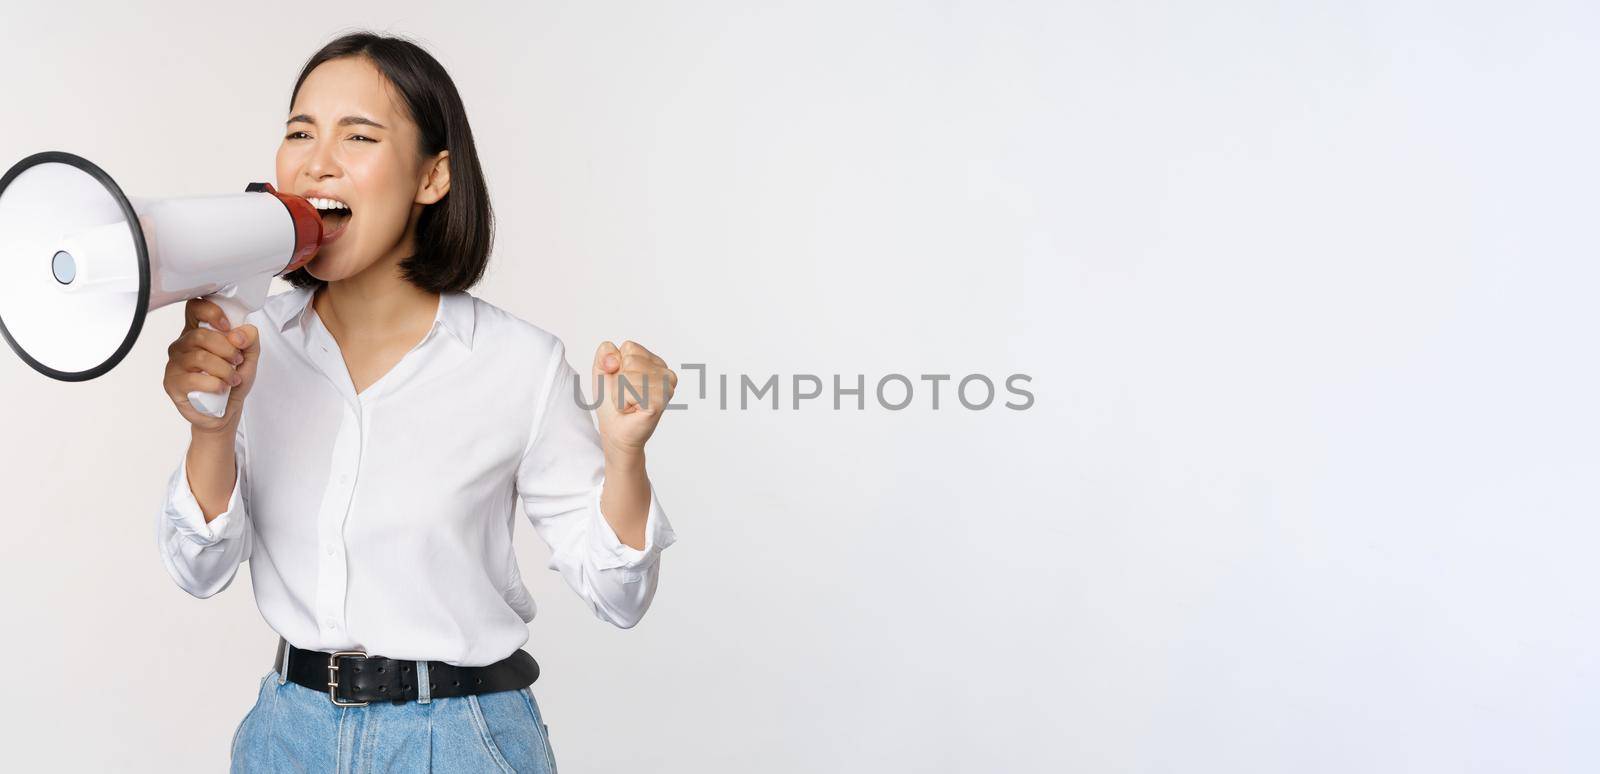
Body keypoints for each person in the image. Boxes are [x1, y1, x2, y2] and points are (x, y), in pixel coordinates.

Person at [154, 31, 680, 772]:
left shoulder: (519, 364)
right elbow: (198, 572)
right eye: (299, 132)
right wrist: (212, 428)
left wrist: (626, 457)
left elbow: (619, 597)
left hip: (460, 739)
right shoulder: (252, 346)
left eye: (358, 136)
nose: (316, 160)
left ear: (432, 177)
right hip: (286, 736)